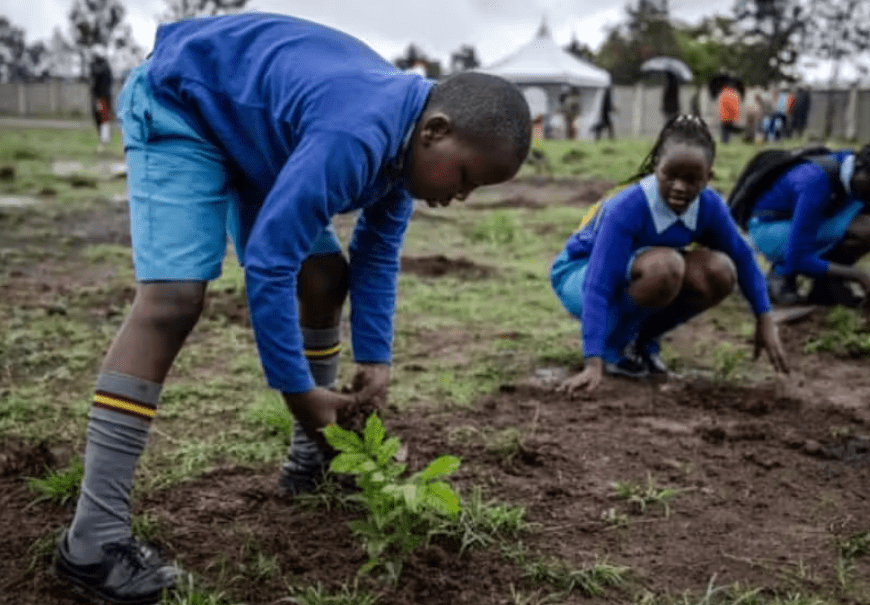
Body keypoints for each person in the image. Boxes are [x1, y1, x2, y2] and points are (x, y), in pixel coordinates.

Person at [51, 12, 531, 605]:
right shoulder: (359, 134)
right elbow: (271, 263)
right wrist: (298, 392)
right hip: (185, 104)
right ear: (434, 130)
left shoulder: (405, 149)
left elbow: (375, 256)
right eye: (463, 177)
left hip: (258, 136)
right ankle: (92, 539)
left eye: (472, 191)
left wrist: (376, 360)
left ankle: (311, 464)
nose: (457, 197)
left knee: (325, 275)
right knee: (173, 300)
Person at [549, 114, 789, 394]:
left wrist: (764, 317)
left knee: (720, 271)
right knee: (666, 266)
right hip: (580, 273)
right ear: (655, 168)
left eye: (691, 180)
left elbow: (744, 259)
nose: (679, 187)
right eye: (670, 176)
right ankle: (613, 346)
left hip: (639, 273)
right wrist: (592, 359)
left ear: (707, 178)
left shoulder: (709, 207)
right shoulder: (629, 207)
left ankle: (642, 341)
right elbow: (598, 283)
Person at [747, 144, 870, 307]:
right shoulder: (816, 181)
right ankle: (781, 273)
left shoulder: (855, 175)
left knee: (861, 224)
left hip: (805, 225)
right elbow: (798, 257)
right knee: (863, 229)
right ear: (860, 169)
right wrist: (858, 276)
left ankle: (826, 286)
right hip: (769, 230)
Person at [89, 49, 113, 151]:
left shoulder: (103, 67)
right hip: (100, 96)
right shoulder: (102, 66)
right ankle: (103, 140)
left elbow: (96, 71)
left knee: (103, 118)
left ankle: (103, 142)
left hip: (102, 96)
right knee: (99, 117)